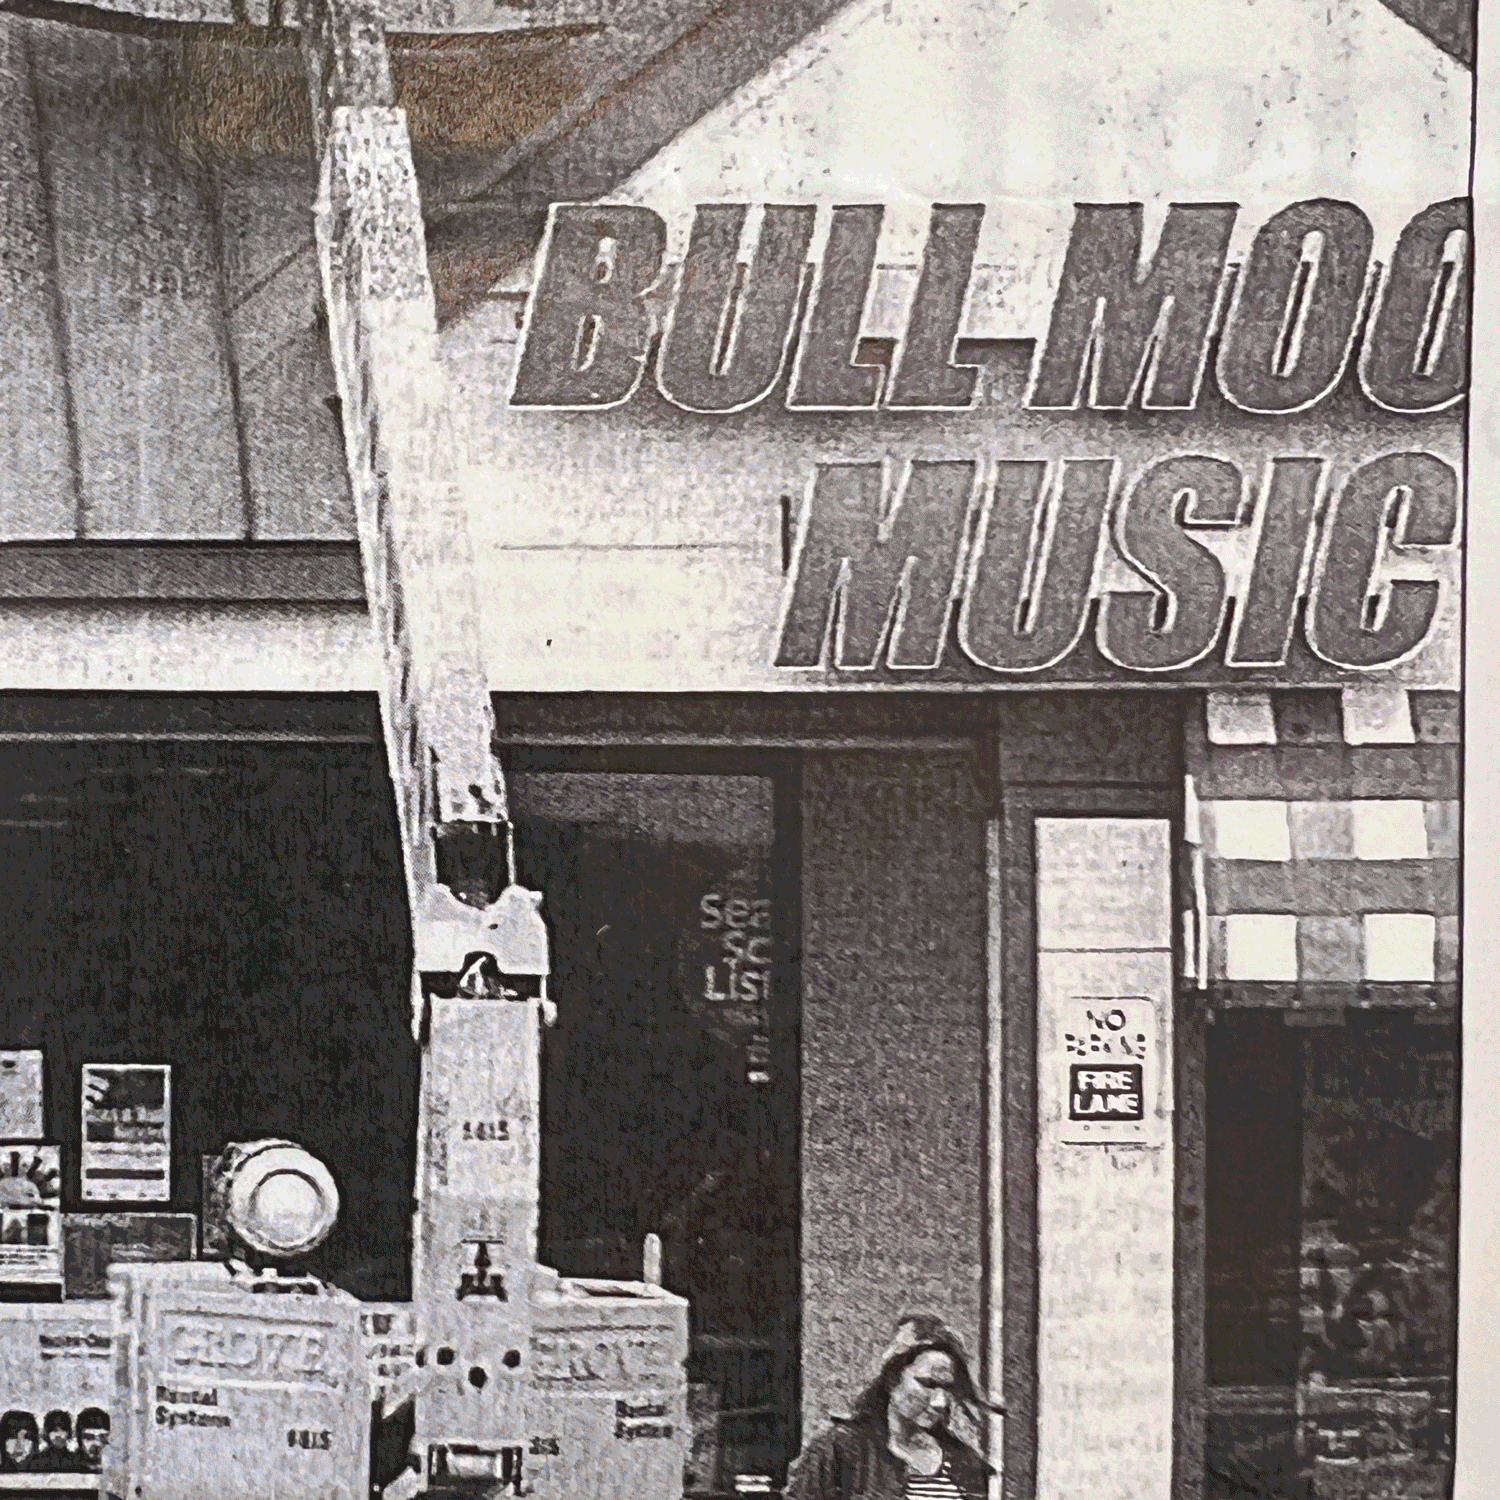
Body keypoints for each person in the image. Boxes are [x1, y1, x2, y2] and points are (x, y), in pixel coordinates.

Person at [785, 1315, 998, 1500]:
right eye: (928, 1384)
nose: (940, 1401)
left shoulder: (966, 1464)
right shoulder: (838, 1450)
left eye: (947, 1388)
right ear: (892, 1380)